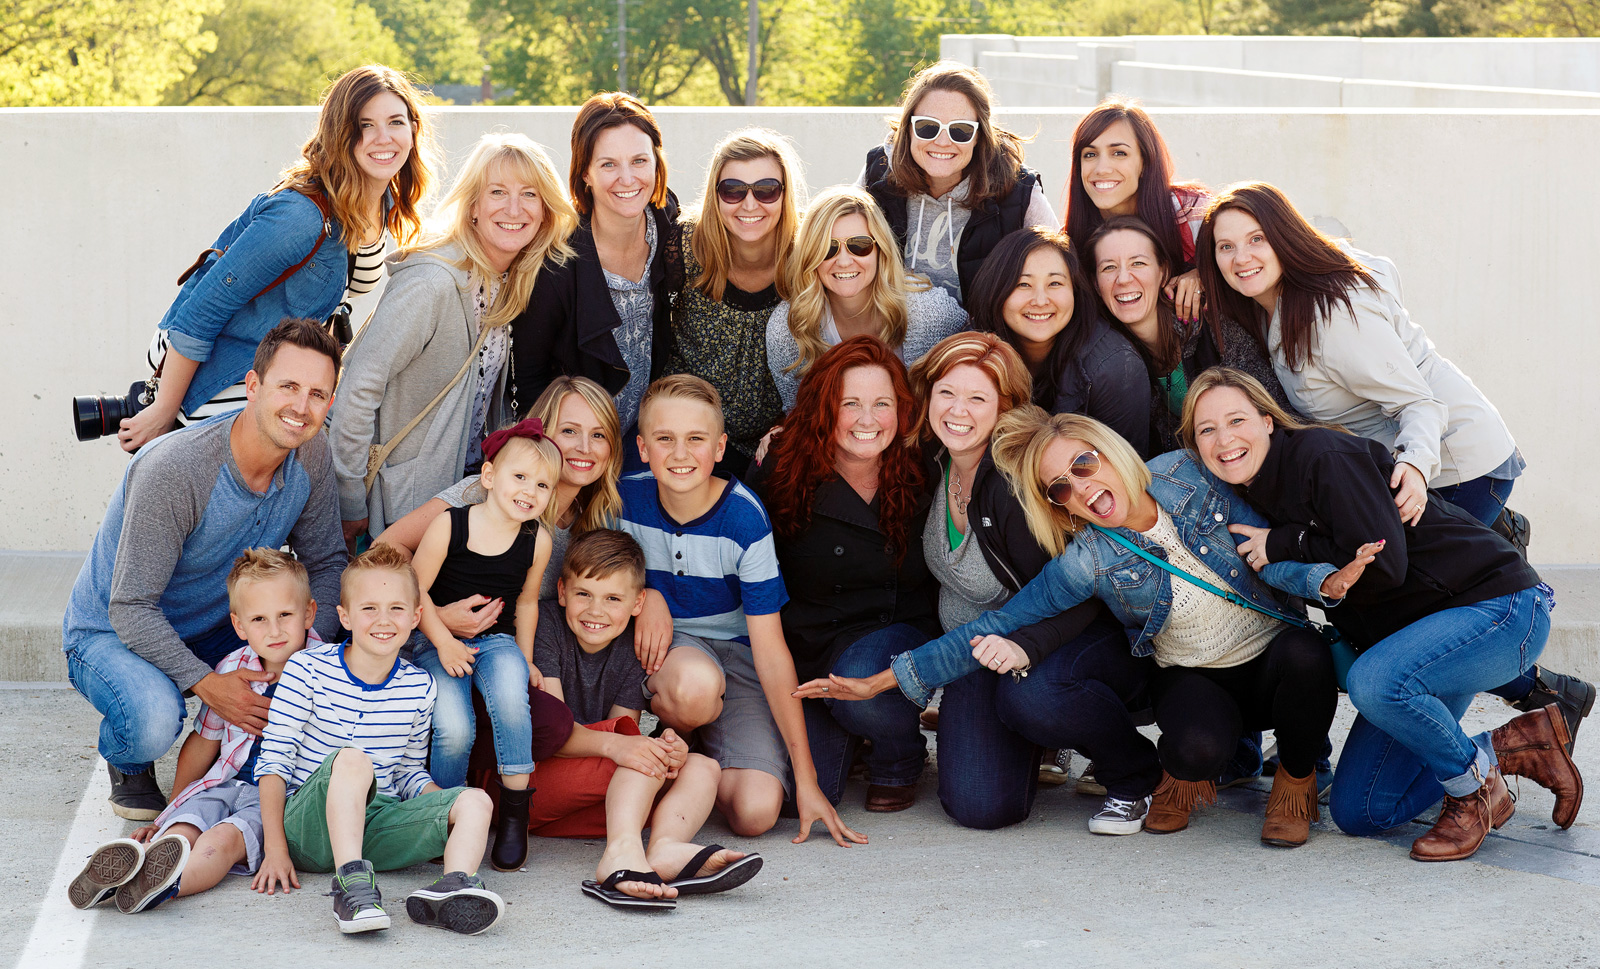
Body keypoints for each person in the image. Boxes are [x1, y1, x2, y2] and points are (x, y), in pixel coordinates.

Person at [804, 410, 1352, 847]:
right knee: (1194, 749)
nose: (1081, 488)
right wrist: (884, 681)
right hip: (1194, 674)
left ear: (1108, 449)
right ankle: (1200, 767)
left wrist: (1324, 576)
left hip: (1272, 657)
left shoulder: (1187, 472)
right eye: (1060, 489)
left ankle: (1296, 781)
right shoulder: (1087, 559)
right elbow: (1001, 622)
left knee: (1307, 655)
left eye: (1084, 464)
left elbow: (1269, 537)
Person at [1182, 368, 1586, 860]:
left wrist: (1285, 542)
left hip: (1497, 607)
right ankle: (1514, 746)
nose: (1224, 439)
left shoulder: (1321, 457)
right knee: (1362, 810)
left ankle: (1474, 790)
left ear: (1268, 421)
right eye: (1207, 429)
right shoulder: (1250, 495)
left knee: (1373, 683)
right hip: (1422, 643)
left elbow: (1386, 565)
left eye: (1236, 420)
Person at [63, 318, 347, 820]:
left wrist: (305, 653)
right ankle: (127, 757)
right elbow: (130, 607)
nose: (301, 407)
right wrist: (208, 684)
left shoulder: (312, 452)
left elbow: (326, 563)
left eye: (317, 394)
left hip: (220, 624)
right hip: (113, 631)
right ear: (253, 386)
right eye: (288, 387)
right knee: (154, 718)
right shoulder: (175, 469)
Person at [119, 65, 434, 452]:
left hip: (282, 370)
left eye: (395, 122)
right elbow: (202, 310)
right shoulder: (300, 218)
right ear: (340, 133)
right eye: (364, 125)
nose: (383, 138)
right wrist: (162, 411)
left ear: (413, 128)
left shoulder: (382, 200)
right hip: (227, 371)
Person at [905, 332, 1146, 832]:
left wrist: (1026, 652)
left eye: (978, 398)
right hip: (973, 651)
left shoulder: (1013, 486)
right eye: (946, 392)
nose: (957, 410)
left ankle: (1133, 770)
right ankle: (1029, 737)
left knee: (1027, 711)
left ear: (1005, 408)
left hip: (1055, 642)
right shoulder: (931, 458)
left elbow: (1074, 596)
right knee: (978, 805)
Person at [1197, 181, 1528, 537]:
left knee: (1400, 567)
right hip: (1400, 459)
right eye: (1226, 246)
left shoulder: (1331, 320)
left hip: (1457, 465)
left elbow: (1418, 403)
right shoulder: (1268, 302)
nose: (1241, 258)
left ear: (1284, 236)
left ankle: (1504, 533)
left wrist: (1416, 465)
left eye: (1256, 239)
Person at [619, 375, 865, 847]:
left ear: (719, 448)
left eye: (696, 439)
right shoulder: (624, 501)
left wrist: (806, 779)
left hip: (739, 656)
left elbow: (769, 651)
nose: (680, 453)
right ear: (643, 448)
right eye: (665, 439)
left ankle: (694, 759)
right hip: (672, 653)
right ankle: (679, 734)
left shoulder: (744, 519)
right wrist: (646, 596)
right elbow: (597, 581)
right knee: (695, 688)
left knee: (756, 813)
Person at [331, 132, 576, 545]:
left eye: (529, 194)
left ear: (545, 210)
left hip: (453, 500)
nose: (514, 208)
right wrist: (349, 500)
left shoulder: (506, 283)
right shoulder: (432, 283)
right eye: (497, 192)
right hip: (390, 508)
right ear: (473, 205)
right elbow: (358, 386)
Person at [255, 545, 506, 935]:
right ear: (345, 616)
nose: (384, 620)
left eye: (396, 608)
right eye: (369, 608)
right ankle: (351, 887)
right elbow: (274, 759)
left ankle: (451, 889)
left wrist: (444, 807)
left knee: (476, 800)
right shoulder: (306, 667)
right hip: (308, 829)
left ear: (416, 617)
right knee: (353, 760)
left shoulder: (420, 686)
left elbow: (407, 773)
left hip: (375, 828)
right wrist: (274, 849)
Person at [67, 550, 320, 914]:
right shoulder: (232, 668)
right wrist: (169, 813)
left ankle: (165, 887)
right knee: (182, 831)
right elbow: (203, 744)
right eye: (259, 619)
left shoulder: (327, 672)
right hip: (224, 784)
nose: (275, 630)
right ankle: (128, 871)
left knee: (221, 841)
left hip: (281, 799)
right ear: (239, 626)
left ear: (309, 613)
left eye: (285, 615)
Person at [751, 337, 941, 813]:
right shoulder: (782, 466)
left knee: (861, 687)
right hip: (809, 645)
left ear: (902, 409)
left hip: (893, 632)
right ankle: (854, 731)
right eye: (849, 403)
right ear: (823, 408)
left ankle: (898, 755)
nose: (867, 419)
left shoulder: (925, 463)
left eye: (882, 404)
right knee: (795, 798)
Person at [533, 530, 762, 908]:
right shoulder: (546, 626)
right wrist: (629, 746)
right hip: (534, 785)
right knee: (643, 757)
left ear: (638, 602)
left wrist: (665, 750)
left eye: (613, 598)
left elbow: (624, 731)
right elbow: (551, 734)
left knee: (701, 766)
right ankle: (619, 855)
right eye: (583, 594)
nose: (595, 611)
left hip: (587, 803)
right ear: (562, 591)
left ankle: (665, 848)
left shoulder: (631, 645)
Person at [410, 419, 562, 873]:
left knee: (513, 702)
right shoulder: (450, 525)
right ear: (490, 476)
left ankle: (515, 815)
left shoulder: (537, 540)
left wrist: (526, 658)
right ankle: (445, 813)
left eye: (542, 485)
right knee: (454, 725)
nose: (530, 491)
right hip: (436, 640)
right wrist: (444, 642)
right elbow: (414, 591)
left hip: (497, 641)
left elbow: (528, 602)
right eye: (520, 477)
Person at [512, 91, 684, 435]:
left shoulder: (670, 225)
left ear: (656, 163)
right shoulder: (556, 262)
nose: (628, 179)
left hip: (649, 439)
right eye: (608, 164)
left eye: (639, 161)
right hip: (578, 447)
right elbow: (528, 378)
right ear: (585, 174)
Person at [1088, 215, 1295, 455]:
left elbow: (1275, 412)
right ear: (1096, 284)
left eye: (1138, 263)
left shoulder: (1207, 320)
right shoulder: (1112, 358)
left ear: (1163, 272)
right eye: (1109, 267)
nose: (1123, 279)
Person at [858, 61, 1057, 304]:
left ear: (979, 136)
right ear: (908, 129)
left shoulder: (1019, 190)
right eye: (927, 127)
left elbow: (1060, 270)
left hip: (983, 328)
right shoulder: (878, 172)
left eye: (960, 130)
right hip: (890, 325)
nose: (943, 142)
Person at [666, 128, 803, 475]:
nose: (750, 204)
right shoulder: (685, 245)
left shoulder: (806, 256)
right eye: (733, 190)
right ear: (715, 194)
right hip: (687, 432)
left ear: (784, 193)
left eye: (766, 190)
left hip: (776, 441)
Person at [766, 187, 966, 411]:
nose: (844, 262)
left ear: (880, 249)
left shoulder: (932, 313)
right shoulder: (789, 327)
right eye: (828, 249)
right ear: (809, 255)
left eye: (859, 245)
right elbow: (798, 415)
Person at [967, 226, 1149, 451]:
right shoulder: (972, 351)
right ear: (996, 290)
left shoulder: (1114, 367)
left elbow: (1125, 466)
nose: (1040, 300)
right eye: (1023, 284)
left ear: (1075, 290)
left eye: (1055, 283)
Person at [1063, 97, 1209, 324]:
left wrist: (1205, 274)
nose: (1102, 169)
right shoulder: (1071, 241)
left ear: (1145, 162)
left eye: (1119, 153)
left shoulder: (1192, 212)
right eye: (1090, 154)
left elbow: (1251, 257)